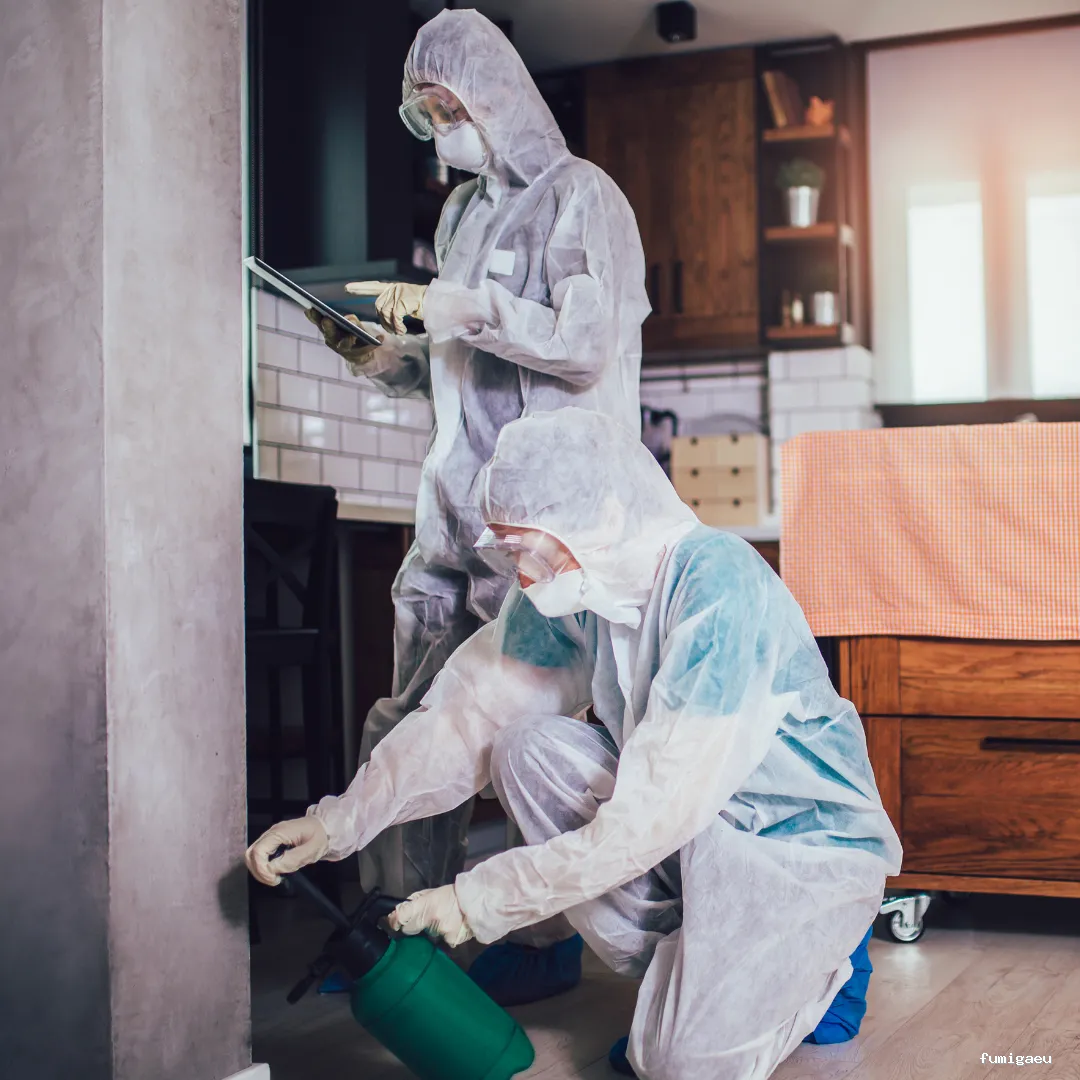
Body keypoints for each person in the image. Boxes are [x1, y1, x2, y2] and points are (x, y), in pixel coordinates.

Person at [247, 408, 904, 1080]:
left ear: (604, 516)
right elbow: (469, 716)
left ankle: (824, 960)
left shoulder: (719, 587)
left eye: (530, 550)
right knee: (523, 748)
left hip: (793, 851)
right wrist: (337, 823)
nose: (522, 575)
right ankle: (701, 976)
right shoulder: (584, 590)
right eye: (509, 552)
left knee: (678, 1065)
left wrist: (479, 901)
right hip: (692, 832)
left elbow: (654, 815)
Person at [306, 8, 648, 938]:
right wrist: (386, 356)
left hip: (542, 529)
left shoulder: (582, 197)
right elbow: (461, 368)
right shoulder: (461, 211)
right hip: (453, 518)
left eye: (449, 105)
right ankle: (396, 930)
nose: (440, 126)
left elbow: (583, 345)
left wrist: (456, 306)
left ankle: (537, 935)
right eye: (425, 112)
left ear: (498, 96)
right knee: (410, 717)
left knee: (524, 734)